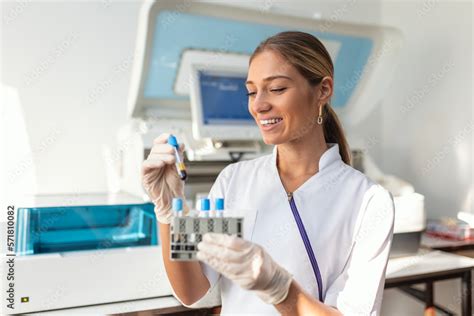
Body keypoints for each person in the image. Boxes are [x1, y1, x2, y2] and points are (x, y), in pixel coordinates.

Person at [142, 31, 395, 315]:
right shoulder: (233, 180)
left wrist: (280, 289)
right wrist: (169, 214)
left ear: (323, 90)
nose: (259, 104)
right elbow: (192, 291)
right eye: (252, 91)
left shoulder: (369, 201)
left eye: (276, 89)